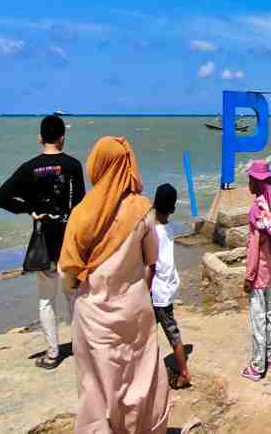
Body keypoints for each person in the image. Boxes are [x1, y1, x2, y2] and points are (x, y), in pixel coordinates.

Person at [58, 136, 169, 432]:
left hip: (94, 314)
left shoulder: (82, 213)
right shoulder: (143, 209)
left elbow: (67, 275)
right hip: (135, 310)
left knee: (96, 389)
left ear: (98, 164)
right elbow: (151, 258)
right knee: (140, 378)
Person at [0, 114, 85, 370]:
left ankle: (52, 355)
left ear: (40, 138)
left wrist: (29, 208)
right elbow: (80, 207)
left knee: (46, 300)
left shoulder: (29, 167)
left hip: (43, 240)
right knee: (73, 296)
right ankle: (82, 348)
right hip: (68, 241)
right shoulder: (73, 165)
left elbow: (0, 198)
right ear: (62, 137)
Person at [241, 160, 271, 381]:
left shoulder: (257, 210)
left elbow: (253, 248)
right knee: (269, 314)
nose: (248, 182)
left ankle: (257, 366)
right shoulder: (270, 208)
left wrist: (248, 276)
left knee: (258, 319)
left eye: (249, 179)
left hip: (257, 275)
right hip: (269, 270)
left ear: (256, 183)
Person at [150, 183, 192, 389]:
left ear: (153, 204)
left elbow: (150, 265)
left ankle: (184, 373)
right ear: (173, 210)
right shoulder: (170, 229)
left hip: (155, 292)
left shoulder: (151, 232)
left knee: (160, 333)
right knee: (169, 332)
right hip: (166, 289)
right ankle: (180, 370)